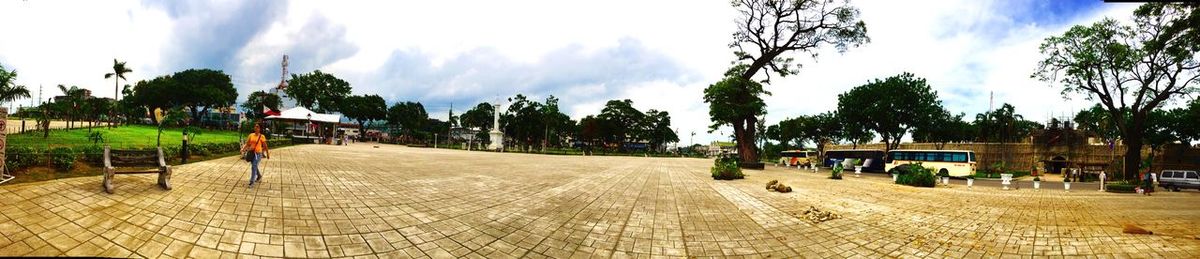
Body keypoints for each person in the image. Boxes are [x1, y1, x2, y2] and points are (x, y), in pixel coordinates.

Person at [242, 122, 271, 187]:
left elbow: (265, 146)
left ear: (260, 128)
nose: (256, 127)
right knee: (254, 166)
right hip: (251, 153)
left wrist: (267, 154)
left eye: (257, 127)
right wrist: (243, 149)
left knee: (253, 166)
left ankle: (252, 182)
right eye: (255, 126)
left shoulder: (262, 136)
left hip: (258, 154)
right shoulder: (251, 135)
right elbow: (247, 143)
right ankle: (259, 176)